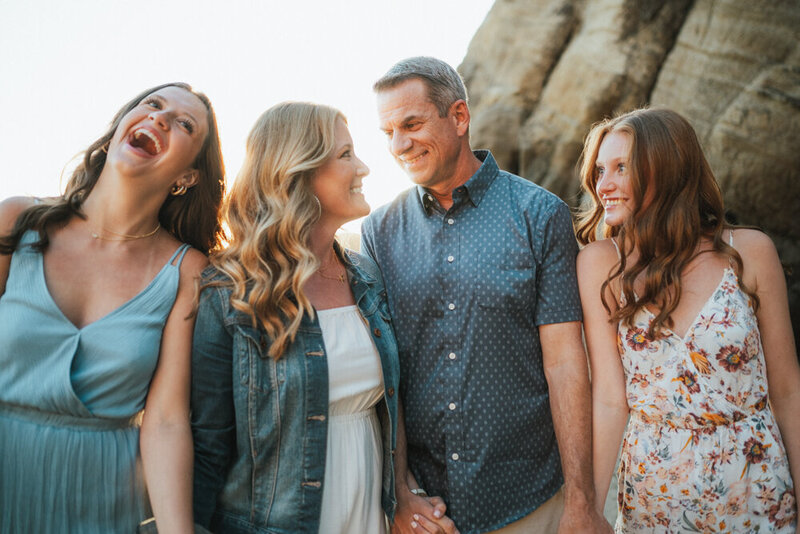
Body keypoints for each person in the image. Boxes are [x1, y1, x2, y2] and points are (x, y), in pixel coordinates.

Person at [361, 56, 610, 534]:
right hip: (427, 514)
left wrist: (582, 501)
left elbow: (565, 363)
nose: (399, 145)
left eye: (411, 124)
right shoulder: (378, 232)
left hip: (531, 502)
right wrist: (401, 490)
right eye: (388, 131)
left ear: (459, 116)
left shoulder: (540, 214)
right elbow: (384, 372)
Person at [0, 82, 225, 533]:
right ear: (118, 130)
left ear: (188, 177)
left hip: (106, 504)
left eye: (184, 124)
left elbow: (164, 421)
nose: (159, 118)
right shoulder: (17, 220)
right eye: (152, 104)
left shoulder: (187, 271)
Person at [576, 107, 800, 532]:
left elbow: (787, 390)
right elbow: (609, 398)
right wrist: (585, 511)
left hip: (756, 493)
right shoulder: (600, 265)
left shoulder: (750, 252)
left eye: (622, 167)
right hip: (655, 501)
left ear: (668, 168)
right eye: (600, 169)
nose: (603, 185)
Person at [190, 102, 401, 534]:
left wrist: (405, 495)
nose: (362, 167)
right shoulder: (229, 291)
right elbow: (206, 444)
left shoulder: (367, 276)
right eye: (345, 154)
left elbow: (391, 411)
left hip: (368, 516)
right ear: (298, 170)